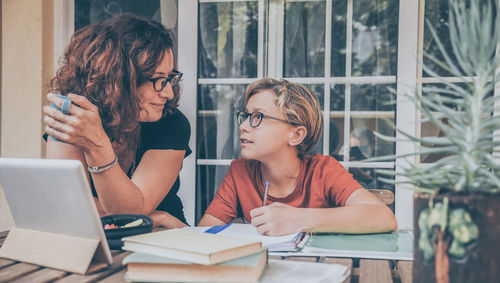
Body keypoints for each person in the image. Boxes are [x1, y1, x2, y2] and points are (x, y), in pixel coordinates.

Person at [43, 14, 191, 228]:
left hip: (161, 235)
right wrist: (151, 215)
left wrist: (97, 145)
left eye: (170, 78)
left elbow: (131, 210)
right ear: (117, 79)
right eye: (158, 80)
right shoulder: (74, 118)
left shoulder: (172, 123)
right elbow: (66, 203)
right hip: (97, 234)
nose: (168, 92)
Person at [198, 78, 397, 236]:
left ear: (296, 135)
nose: (243, 126)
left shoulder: (323, 171)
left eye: (258, 117)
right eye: (246, 116)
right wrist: (183, 231)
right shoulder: (240, 172)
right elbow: (205, 234)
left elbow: (384, 217)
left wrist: (297, 220)